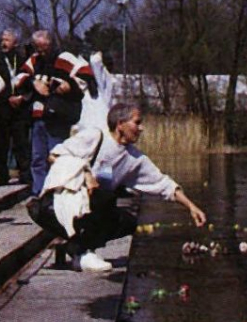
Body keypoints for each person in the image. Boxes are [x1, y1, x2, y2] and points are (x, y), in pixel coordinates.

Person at [38, 103, 207, 272]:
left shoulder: (134, 159)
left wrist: (191, 207)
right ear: (120, 124)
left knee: (127, 222)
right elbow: (55, 155)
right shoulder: (95, 136)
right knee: (104, 198)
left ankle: (75, 247)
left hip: (89, 209)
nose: (141, 128)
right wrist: (86, 173)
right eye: (137, 122)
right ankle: (81, 251)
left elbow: (163, 184)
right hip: (56, 205)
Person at [15, 30, 83, 195]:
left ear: (52, 44)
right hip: (38, 116)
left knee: (58, 157)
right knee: (38, 159)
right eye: (38, 47)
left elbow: (85, 77)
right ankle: (39, 192)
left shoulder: (65, 59)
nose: (42, 51)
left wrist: (69, 86)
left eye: (45, 47)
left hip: (59, 117)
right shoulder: (33, 60)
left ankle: (58, 192)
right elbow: (18, 78)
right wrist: (33, 82)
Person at [0, 29, 31, 186]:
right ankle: (2, 176)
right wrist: (7, 97)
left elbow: (29, 83)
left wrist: (21, 97)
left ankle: (25, 175)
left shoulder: (23, 62)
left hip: (19, 110)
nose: (3, 43)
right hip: (1, 109)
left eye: (7, 40)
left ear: (16, 42)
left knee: (21, 143)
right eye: (2, 39)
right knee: (0, 144)